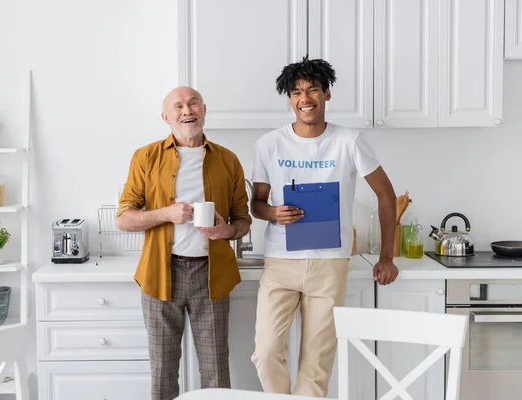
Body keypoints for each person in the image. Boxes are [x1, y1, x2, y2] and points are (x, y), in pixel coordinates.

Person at [250, 56, 399, 397]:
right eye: (296, 92)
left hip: (330, 264)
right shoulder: (268, 145)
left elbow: (387, 196)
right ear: (289, 99)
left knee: (316, 365)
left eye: (313, 89)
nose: (305, 98)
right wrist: (274, 214)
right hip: (280, 263)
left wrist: (387, 256)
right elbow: (256, 204)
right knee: (267, 351)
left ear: (327, 94)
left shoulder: (349, 140)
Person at [116, 86, 252, 400]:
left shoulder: (228, 160)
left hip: (212, 276)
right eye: (178, 106)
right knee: (162, 372)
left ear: (204, 110)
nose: (186, 111)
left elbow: (243, 220)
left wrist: (227, 232)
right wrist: (166, 213)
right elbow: (123, 218)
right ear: (166, 117)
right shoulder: (146, 156)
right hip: (160, 275)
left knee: (216, 370)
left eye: (193, 104)